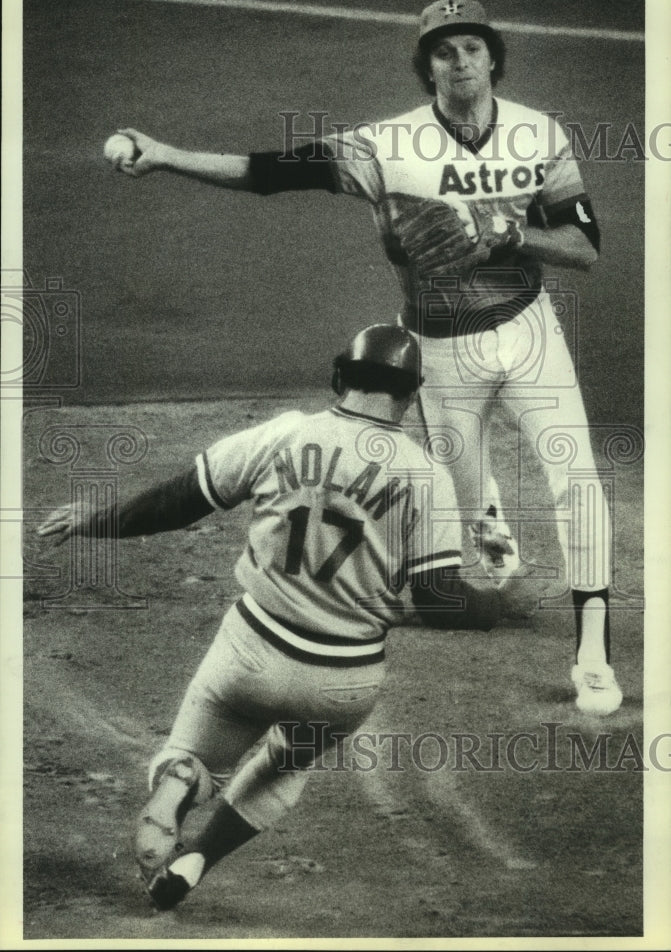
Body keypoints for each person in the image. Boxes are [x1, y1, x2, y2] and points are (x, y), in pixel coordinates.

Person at [108, 0, 621, 716]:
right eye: (443, 51)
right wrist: (165, 156)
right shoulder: (385, 146)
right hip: (439, 349)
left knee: (576, 480)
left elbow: (585, 249)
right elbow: (269, 172)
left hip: (530, 334)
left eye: (472, 47)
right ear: (427, 67)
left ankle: (590, 653)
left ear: (493, 58)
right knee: (465, 494)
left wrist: (512, 236)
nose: (460, 60)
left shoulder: (539, 134)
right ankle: (489, 530)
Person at [39, 324, 517, 912]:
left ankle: (182, 782)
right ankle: (197, 863)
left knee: (193, 750)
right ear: (412, 394)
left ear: (340, 377)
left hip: (249, 654)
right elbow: (441, 599)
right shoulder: (426, 476)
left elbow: (179, 501)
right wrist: (499, 601)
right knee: (283, 769)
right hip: (343, 684)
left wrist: (97, 518)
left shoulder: (288, 434)